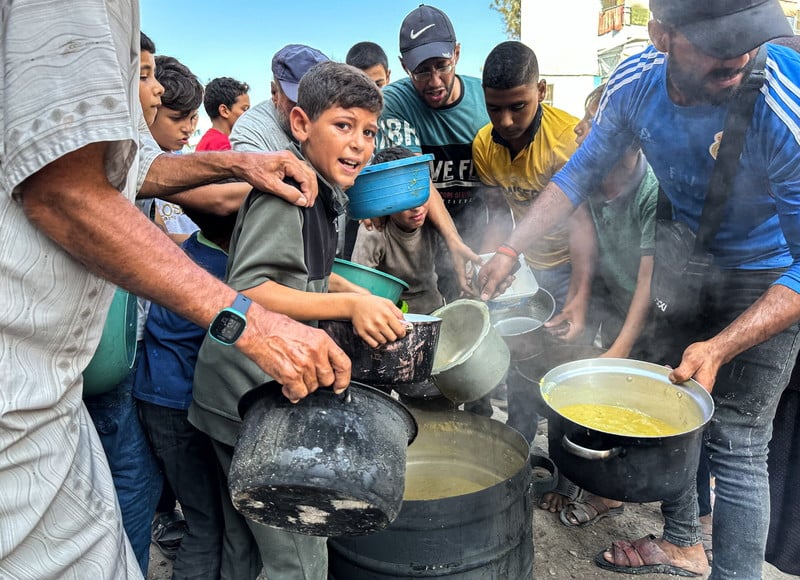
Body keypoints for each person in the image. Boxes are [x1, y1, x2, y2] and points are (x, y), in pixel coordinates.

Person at [0, 4, 350, 578]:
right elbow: (65, 189)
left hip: (72, 382)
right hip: (24, 391)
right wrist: (251, 322)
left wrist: (236, 163)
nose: (157, 88)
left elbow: (133, 169)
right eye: (141, 75)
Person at [479, 1, 800, 578]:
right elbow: (577, 174)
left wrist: (721, 347)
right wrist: (510, 247)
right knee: (669, 407)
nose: (739, 54)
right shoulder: (633, 84)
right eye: (719, 40)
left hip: (770, 273)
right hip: (685, 256)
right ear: (662, 34)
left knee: (737, 440)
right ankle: (683, 541)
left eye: (748, 38)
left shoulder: (784, 98)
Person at [190, 61, 407, 580]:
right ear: (302, 125)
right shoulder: (286, 193)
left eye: (369, 131)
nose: (359, 143)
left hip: (229, 393)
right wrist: (351, 308)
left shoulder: (323, 196)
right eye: (344, 125)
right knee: (299, 557)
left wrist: (353, 290)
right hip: (248, 396)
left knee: (243, 544)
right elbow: (250, 290)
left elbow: (311, 272)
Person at [472, 40, 596, 435]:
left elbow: (582, 225)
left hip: (570, 264)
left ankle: (565, 463)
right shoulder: (483, 145)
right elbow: (496, 213)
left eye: (518, 106)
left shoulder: (567, 138)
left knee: (564, 361)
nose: (506, 121)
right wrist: (488, 263)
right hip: (524, 266)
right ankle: (521, 441)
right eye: (495, 108)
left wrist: (578, 295)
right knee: (520, 356)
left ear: (540, 91)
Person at [556, 81, 659, 529]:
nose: (578, 129)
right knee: (605, 391)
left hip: (660, 309)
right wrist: (578, 302)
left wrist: (619, 349)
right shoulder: (592, 181)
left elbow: (648, 281)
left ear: (629, 139)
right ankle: (607, 493)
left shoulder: (653, 190)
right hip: (615, 296)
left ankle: (692, 518)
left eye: (592, 124)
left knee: (659, 403)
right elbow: (586, 246)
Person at [133, 206, 238, 579]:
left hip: (156, 395)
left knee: (203, 514)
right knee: (205, 523)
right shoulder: (222, 274)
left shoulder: (190, 250)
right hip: (176, 407)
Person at [378, 4, 503, 300]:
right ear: (405, 66)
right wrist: (452, 239)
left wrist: (488, 255)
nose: (434, 81)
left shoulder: (487, 103)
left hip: (475, 229)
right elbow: (416, 178)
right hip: (422, 237)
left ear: (456, 54)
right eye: (421, 71)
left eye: (442, 66)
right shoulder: (394, 103)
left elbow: (499, 197)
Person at [351, 146, 445, 314]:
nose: (416, 207)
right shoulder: (374, 231)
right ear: (385, 201)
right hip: (393, 314)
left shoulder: (434, 221)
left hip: (435, 308)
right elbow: (358, 287)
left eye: (418, 193)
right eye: (404, 197)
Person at [150, 55, 205, 243]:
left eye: (193, 118)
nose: (188, 128)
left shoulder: (182, 157)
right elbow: (156, 237)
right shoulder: (138, 166)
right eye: (176, 118)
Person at [196, 77, 250, 152]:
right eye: (245, 109)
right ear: (224, 111)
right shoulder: (223, 145)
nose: (249, 114)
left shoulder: (207, 141)